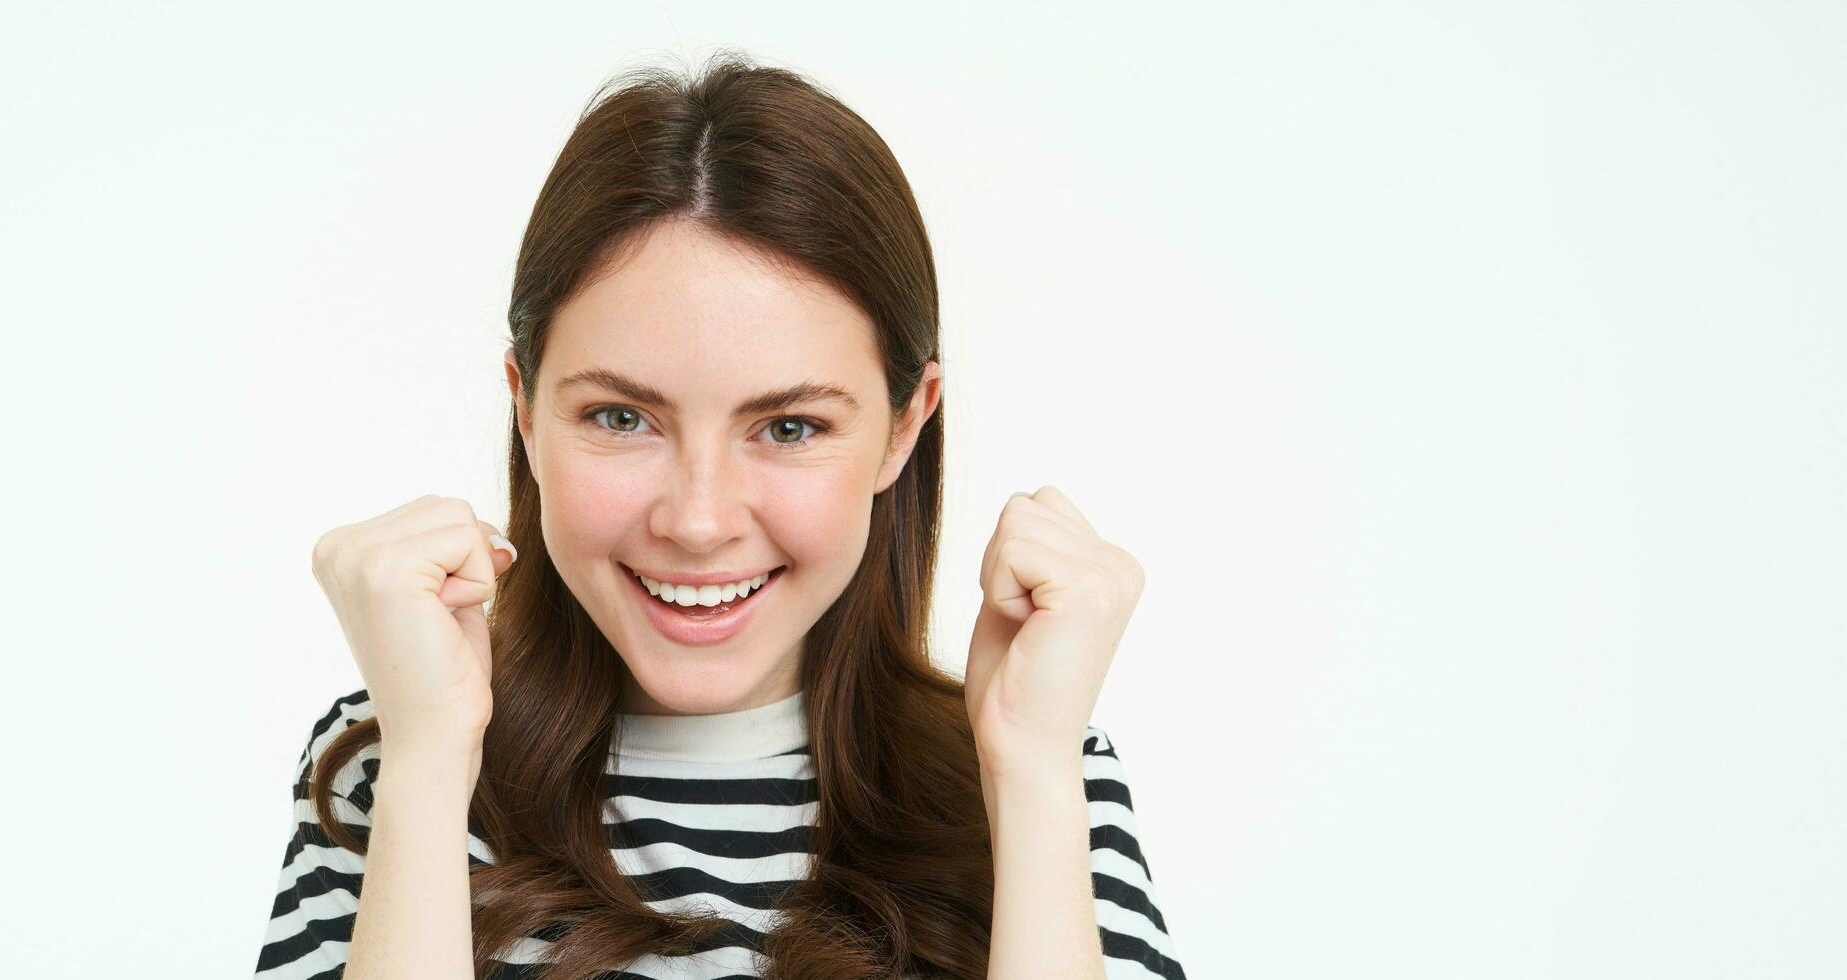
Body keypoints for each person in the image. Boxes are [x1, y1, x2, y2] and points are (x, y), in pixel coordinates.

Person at [254, 49, 1185, 980]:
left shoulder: (1041, 767)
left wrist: (1028, 773)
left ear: (904, 428)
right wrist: (427, 762)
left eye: (788, 426)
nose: (698, 522)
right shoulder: (398, 755)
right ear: (526, 411)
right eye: (621, 418)